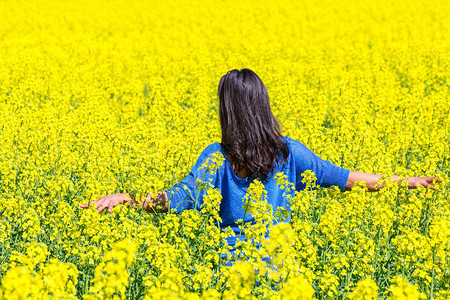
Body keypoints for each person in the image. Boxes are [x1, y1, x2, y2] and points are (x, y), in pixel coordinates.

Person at [80, 68, 437, 247]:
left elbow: (174, 201)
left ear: (228, 111)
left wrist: (128, 200)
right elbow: (347, 178)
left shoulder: (215, 159)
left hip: (231, 277)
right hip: (283, 277)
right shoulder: (290, 154)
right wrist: (408, 183)